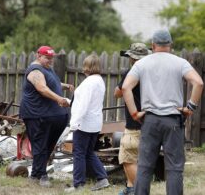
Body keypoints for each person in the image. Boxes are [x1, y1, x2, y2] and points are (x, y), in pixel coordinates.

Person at [122, 29, 203, 195]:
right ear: (170, 45)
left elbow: (125, 87)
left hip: (150, 121)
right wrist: (189, 108)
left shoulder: (141, 64)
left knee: (144, 167)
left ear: (152, 45)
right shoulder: (180, 63)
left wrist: (134, 114)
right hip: (173, 121)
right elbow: (198, 83)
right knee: (174, 168)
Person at [19, 45, 74, 187]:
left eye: (52, 58)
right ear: (38, 56)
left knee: (47, 146)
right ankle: (42, 175)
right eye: (47, 58)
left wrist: (64, 86)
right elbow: (42, 88)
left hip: (53, 115)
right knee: (40, 145)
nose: (50, 61)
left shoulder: (47, 69)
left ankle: (35, 175)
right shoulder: (34, 71)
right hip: (37, 115)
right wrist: (59, 99)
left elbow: (51, 83)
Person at [65, 54, 110, 193]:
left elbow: (83, 105)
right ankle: (102, 178)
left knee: (79, 153)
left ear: (87, 67)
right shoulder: (99, 81)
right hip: (95, 123)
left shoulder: (88, 83)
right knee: (88, 152)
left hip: (84, 123)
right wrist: (69, 102)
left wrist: (74, 123)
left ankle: (78, 184)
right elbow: (87, 103)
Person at [114, 43, 151, 195]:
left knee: (127, 156)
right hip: (152, 121)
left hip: (135, 123)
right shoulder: (153, 72)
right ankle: (130, 188)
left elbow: (118, 92)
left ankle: (137, 190)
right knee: (139, 158)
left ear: (132, 57)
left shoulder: (132, 72)